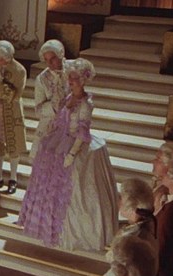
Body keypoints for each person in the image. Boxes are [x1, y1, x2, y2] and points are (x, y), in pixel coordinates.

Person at [17, 58, 118, 251]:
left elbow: (82, 132)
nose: (70, 81)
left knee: (69, 188)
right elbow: (59, 119)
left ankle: (69, 233)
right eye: (69, 77)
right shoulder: (68, 97)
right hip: (58, 139)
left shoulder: (86, 104)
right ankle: (45, 226)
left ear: (83, 80)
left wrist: (71, 154)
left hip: (74, 144)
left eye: (74, 78)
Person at [0, 40, 27, 195]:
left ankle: (13, 178)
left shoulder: (19, 70)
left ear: (8, 57)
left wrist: (0, 89)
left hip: (12, 111)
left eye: (0, 59)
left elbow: (17, 94)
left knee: (13, 144)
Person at [32, 39, 67, 159]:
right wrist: (54, 106)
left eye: (53, 58)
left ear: (60, 55)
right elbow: (38, 110)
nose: (49, 63)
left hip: (72, 121)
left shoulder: (72, 71)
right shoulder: (42, 78)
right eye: (46, 60)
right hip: (51, 124)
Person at [150, 141, 173, 213]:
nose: (153, 161)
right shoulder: (159, 185)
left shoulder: (172, 192)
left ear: (170, 165)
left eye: (158, 159)